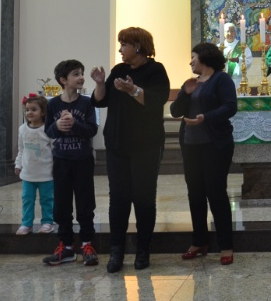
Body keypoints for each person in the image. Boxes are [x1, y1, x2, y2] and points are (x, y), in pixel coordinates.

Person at [91, 27, 170, 272]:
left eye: (124, 44)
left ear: (137, 46)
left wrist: (133, 90)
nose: (120, 49)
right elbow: (100, 101)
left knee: (144, 198)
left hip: (145, 144)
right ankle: (117, 251)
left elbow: (157, 101)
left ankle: (143, 251)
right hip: (117, 142)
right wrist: (100, 83)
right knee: (119, 198)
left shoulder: (156, 70)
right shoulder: (119, 70)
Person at [170, 42, 239, 266]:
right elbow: (175, 111)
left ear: (205, 57)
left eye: (193, 57)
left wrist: (205, 118)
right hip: (191, 145)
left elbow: (230, 107)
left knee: (216, 192)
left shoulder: (222, 79)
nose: (190, 62)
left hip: (215, 145)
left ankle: (226, 245)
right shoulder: (190, 83)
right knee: (195, 193)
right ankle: (199, 241)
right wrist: (184, 94)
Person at [43, 60, 99, 267]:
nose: (81, 77)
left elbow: (92, 129)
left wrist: (75, 124)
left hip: (83, 160)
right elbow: (48, 131)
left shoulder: (86, 103)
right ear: (63, 80)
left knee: (85, 204)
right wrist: (58, 126)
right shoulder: (53, 105)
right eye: (76, 74)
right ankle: (66, 246)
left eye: (82, 73)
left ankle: (87, 244)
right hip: (62, 161)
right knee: (61, 205)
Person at [14, 94, 55, 235]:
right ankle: (26, 223)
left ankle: (47, 222)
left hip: (46, 173)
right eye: (27, 110)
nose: (29, 112)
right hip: (28, 174)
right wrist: (18, 165)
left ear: (43, 112)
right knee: (27, 199)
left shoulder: (48, 129)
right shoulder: (22, 129)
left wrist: (56, 167)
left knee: (47, 199)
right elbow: (21, 149)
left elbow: (54, 149)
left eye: (34, 109)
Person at [222, 24, 253, 90]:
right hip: (222, 81)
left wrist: (238, 60)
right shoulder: (219, 47)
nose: (230, 33)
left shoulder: (242, 46)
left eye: (232, 31)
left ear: (235, 33)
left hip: (239, 82)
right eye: (227, 31)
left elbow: (248, 61)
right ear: (223, 33)